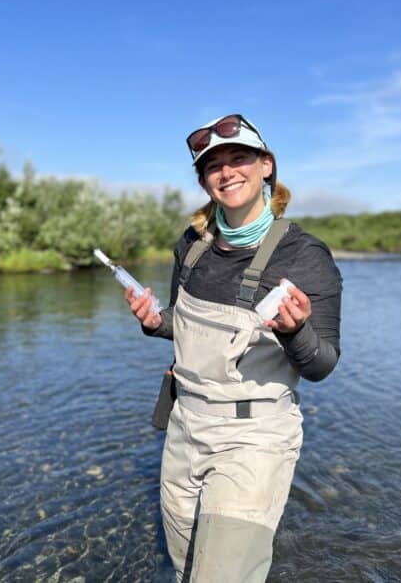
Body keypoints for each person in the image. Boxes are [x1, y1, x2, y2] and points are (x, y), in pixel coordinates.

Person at [125, 114, 342, 582]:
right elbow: (182, 325)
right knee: (186, 568)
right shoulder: (192, 245)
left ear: (266, 166)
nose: (226, 172)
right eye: (212, 165)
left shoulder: (306, 255)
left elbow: (322, 363)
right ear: (204, 181)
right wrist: (153, 321)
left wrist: (295, 330)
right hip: (184, 429)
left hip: (254, 439)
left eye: (239, 158)